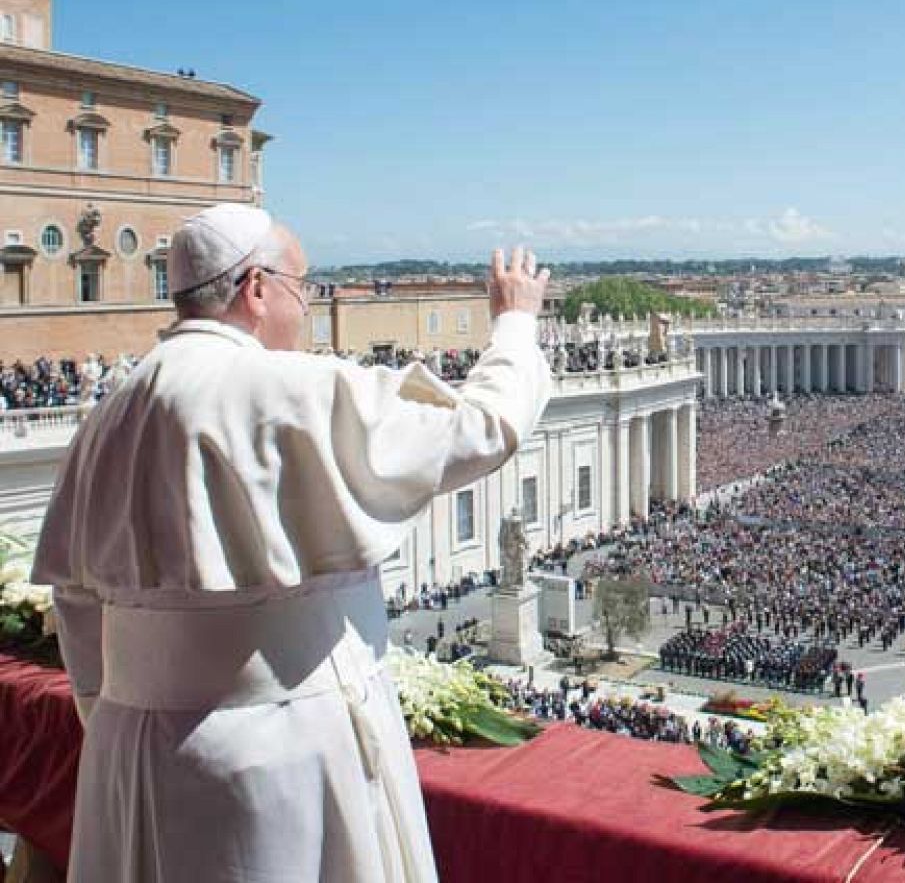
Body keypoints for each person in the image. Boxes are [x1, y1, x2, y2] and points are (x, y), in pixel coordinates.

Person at [35, 203, 553, 883]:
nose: (305, 309)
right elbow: (482, 426)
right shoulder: (295, 389)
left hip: (130, 759)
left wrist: (116, 714)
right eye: (301, 288)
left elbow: (74, 599)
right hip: (284, 755)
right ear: (255, 288)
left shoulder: (109, 411)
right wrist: (515, 321)